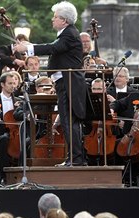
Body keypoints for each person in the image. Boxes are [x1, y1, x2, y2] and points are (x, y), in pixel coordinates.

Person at [14, 2, 87, 166]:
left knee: (69, 121)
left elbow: (53, 48)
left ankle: (76, 160)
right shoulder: (66, 33)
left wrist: (28, 48)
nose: (52, 20)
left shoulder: (69, 34)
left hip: (70, 83)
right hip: (64, 83)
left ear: (64, 20)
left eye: (55, 17)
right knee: (68, 121)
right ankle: (72, 158)